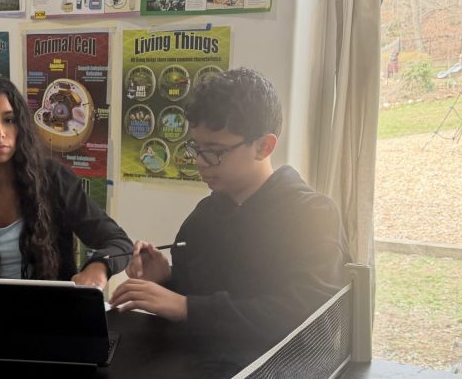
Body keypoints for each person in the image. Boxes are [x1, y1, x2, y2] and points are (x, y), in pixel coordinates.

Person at [110, 68, 349, 347]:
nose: (200, 161)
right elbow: (200, 296)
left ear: (264, 146)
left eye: (215, 151)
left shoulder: (312, 215)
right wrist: (166, 280)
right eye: (197, 147)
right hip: (199, 360)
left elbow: (311, 320)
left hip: (273, 368)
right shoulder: (205, 215)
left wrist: (186, 307)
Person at [0, 72, 133, 299]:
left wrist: (99, 267)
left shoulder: (55, 178)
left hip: (55, 311)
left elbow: (119, 242)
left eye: (9, 120)